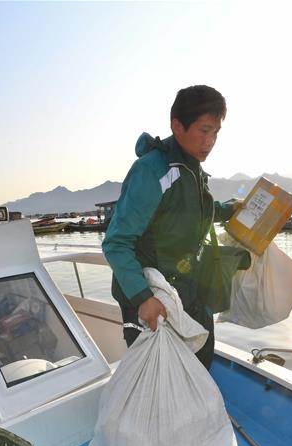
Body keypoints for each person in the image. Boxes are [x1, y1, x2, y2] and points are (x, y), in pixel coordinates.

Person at [102, 85, 241, 370]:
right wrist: (143, 298)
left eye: (215, 132)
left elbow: (187, 212)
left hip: (187, 290)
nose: (210, 140)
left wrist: (228, 210)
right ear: (177, 126)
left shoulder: (192, 168)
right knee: (157, 378)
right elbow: (116, 243)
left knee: (199, 365)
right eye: (204, 130)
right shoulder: (152, 170)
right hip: (151, 296)